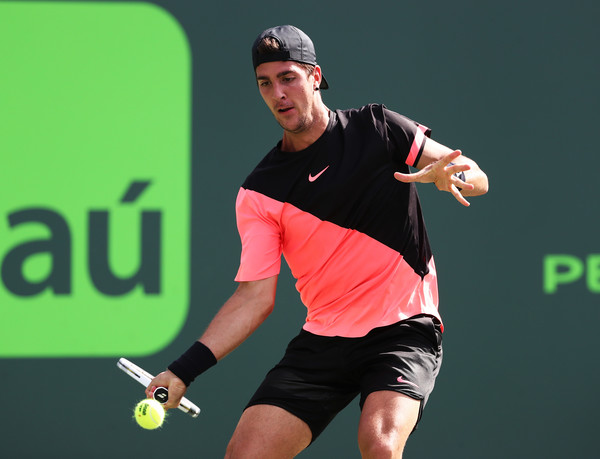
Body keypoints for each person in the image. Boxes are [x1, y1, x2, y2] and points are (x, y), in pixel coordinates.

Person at [147, 25, 488, 458]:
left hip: (403, 330)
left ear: (314, 76)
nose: (277, 93)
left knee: (381, 446)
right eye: (265, 83)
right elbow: (254, 297)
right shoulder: (259, 192)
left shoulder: (377, 128)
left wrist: (452, 175)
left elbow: (477, 176)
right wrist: (182, 371)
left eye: (287, 77)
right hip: (324, 341)